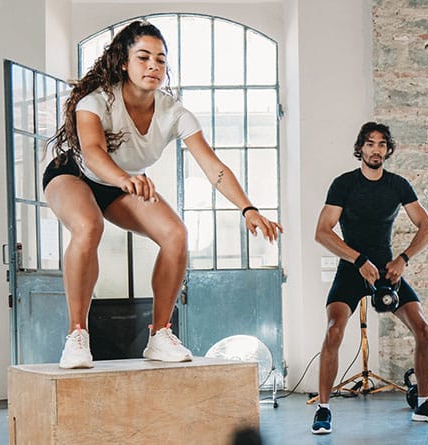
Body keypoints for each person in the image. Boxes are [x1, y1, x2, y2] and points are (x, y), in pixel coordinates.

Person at [44, 20, 283, 369]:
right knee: (88, 226)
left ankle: (159, 335)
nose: (154, 66)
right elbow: (93, 151)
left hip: (122, 183)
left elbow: (212, 166)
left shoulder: (174, 113)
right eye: (143, 58)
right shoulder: (96, 101)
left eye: (160, 59)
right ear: (124, 63)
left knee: (175, 235)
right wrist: (124, 177)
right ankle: (77, 335)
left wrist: (247, 208)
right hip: (74, 174)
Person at [310, 122, 428, 434]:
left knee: (423, 329)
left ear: (388, 150)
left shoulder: (398, 185)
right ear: (361, 148)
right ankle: (323, 409)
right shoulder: (344, 184)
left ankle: (423, 403)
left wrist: (403, 258)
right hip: (352, 269)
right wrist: (357, 259)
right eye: (370, 144)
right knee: (334, 332)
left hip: (387, 270)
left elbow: (427, 229)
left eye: (382, 144)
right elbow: (322, 232)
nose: (375, 149)